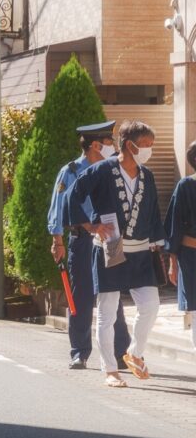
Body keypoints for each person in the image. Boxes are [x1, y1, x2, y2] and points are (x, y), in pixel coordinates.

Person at [68, 120, 166, 388]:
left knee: (151, 305)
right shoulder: (101, 170)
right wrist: (91, 224)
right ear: (128, 145)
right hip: (110, 246)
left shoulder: (147, 175)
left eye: (150, 145)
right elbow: (73, 195)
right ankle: (110, 369)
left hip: (141, 249)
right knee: (107, 311)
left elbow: (154, 211)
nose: (149, 150)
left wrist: (159, 244)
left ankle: (134, 353)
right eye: (145, 145)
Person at [48, 121, 130, 369]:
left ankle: (121, 352)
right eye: (109, 142)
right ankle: (80, 351)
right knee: (82, 296)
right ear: (95, 145)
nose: (113, 146)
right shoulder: (71, 171)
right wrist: (57, 240)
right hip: (82, 241)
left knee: (112, 293)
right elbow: (58, 205)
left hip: (110, 239)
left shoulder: (114, 169)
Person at [164, 141, 196, 348]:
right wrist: (172, 262)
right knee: (195, 311)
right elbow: (173, 227)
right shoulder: (185, 186)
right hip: (191, 256)